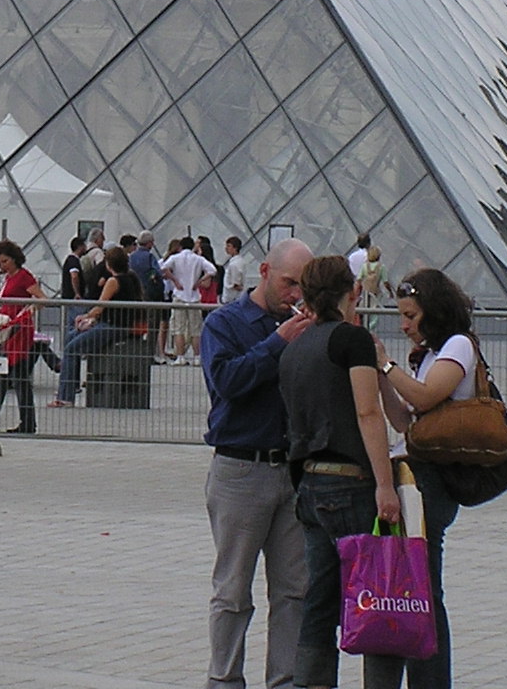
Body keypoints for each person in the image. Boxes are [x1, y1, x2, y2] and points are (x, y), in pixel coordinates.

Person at [282, 255, 403, 689]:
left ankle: (310, 683)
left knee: (320, 598)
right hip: (351, 483)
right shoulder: (351, 340)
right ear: (352, 291)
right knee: (379, 595)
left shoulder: (293, 349)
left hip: (310, 486)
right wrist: (385, 485)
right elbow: (369, 413)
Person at [199, 237, 313, 689]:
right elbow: (227, 381)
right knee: (232, 589)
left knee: (294, 590)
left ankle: (285, 680)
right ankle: (224, 680)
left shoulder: (304, 325)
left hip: (291, 468)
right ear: (264, 271)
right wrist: (277, 341)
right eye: (289, 283)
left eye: (303, 287)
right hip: (240, 468)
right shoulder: (224, 323)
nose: (295, 295)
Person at [375, 268, 478, 687]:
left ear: (434, 311)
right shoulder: (432, 353)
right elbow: (404, 419)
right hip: (415, 471)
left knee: (426, 592)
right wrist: (379, 377)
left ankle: (431, 680)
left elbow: (425, 396)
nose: (405, 325)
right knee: (416, 589)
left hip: (432, 479)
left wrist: (385, 362)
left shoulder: (458, 346)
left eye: (411, 315)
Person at [49, 249, 145, 408]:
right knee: (71, 338)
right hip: (122, 325)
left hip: (113, 326)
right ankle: (67, 390)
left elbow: (100, 306)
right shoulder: (132, 279)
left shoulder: (113, 281)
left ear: (108, 264)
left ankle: (66, 396)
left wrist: (85, 316)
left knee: (72, 348)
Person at [0, 239, 42, 435]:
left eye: (5, 261)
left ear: (14, 259)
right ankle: (19, 422)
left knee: (10, 377)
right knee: (11, 378)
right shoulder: (10, 278)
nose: (2, 265)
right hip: (10, 329)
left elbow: (41, 298)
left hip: (18, 331)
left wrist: (25, 313)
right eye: (0, 262)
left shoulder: (23, 277)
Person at [221, 235, 250, 304]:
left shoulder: (234, 264)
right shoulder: (239, 261)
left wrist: (232, 286)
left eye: (229, 246)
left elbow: (236, 284)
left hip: (231, 299)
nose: (226, 248)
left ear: (235, 248)